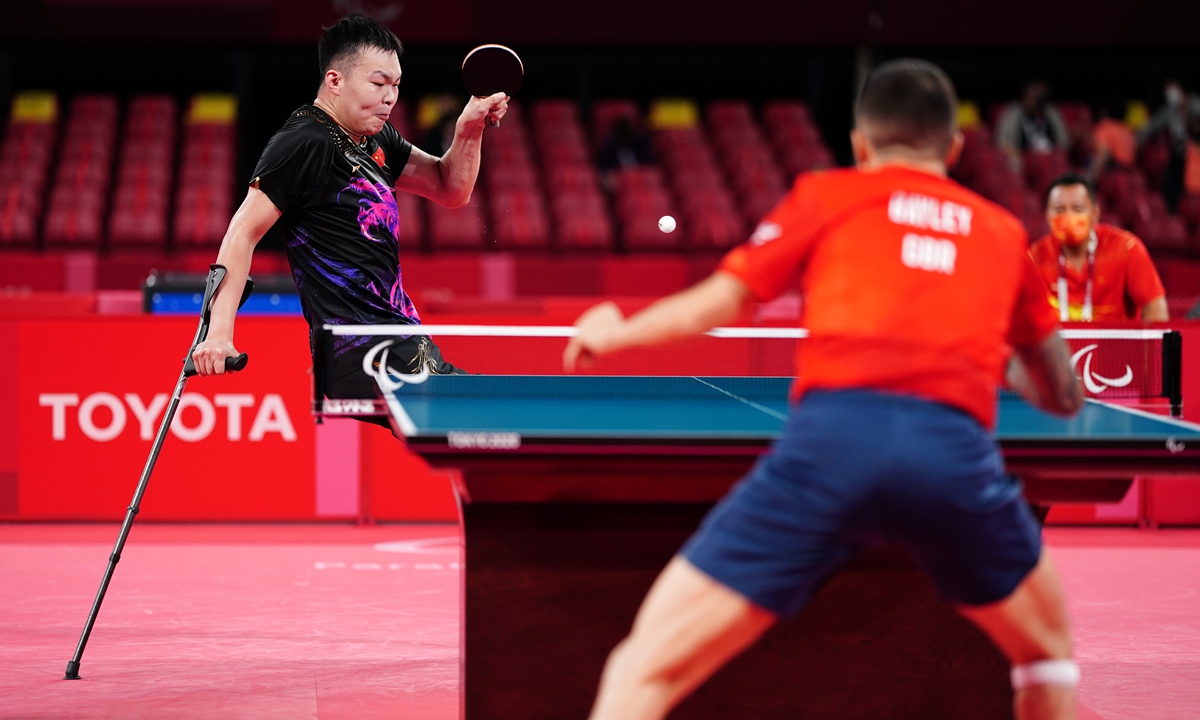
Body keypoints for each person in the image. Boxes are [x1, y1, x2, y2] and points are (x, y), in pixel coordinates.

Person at [565, 59, 1085, 720]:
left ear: (860, 146)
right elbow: (1062, 394)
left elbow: (724, 302)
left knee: (642, 669)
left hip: (831, 450)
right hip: (953, 459)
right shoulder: (1005, 233)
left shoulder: (827, 193)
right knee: (1047, 657)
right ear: (954, 149)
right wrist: (988, 354)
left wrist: (615, 333)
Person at [189, 14, 507, 408]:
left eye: (396, 85)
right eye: (378, 83)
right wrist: (218, 332)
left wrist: (468, 130)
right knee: (490, 409)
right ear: (335, 80)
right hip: (361, 350)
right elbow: (242, 231)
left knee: (475, 426)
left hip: (399, 341)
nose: (390, 97)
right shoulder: (304, 140)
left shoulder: (376, 138)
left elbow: (449, 188)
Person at [1029, 173, 1168, 322]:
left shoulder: (1126, 248)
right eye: (1059, 209)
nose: (1069, 216)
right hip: (1056, 345)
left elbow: (1155, 307)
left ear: (1095, 213)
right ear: (1047, 215)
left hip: (1115, 345)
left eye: (1077, 209)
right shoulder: (1034, 257)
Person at [1138, 79, 1200, 213]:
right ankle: (1174, 213)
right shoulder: (1169, 111)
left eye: (1173, 87)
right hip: (1180, 155)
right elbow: (1150, 127)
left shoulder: (1196, 105)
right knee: (1171, 181)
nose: (1170, 92)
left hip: (1196, 152)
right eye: (1167, 89)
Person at [996, 80, 1070, 169]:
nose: (1035, 98)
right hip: (1024, 160)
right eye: (1032, 94)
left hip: (1051, 159)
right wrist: (1015, 154)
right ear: (1024, 94)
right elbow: (1002, 141)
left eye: (1039, 95)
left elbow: (1064, 141)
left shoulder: (1051, 112)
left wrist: (1056, 156)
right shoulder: (1013, 112)